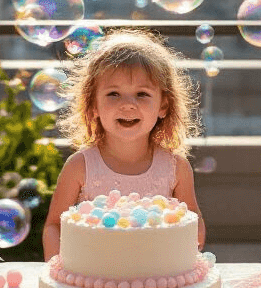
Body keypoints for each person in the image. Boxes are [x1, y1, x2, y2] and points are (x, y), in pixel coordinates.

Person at [43, 29, 205, 258]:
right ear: (93, 106)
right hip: (93, 282)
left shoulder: (176, 168)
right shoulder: (80, 166)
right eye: (113, 94)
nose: (128, 105)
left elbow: (193, 223)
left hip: (156, 282)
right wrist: (59, 271)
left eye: (141, 94)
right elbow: (54, 227)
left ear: (164, 106)